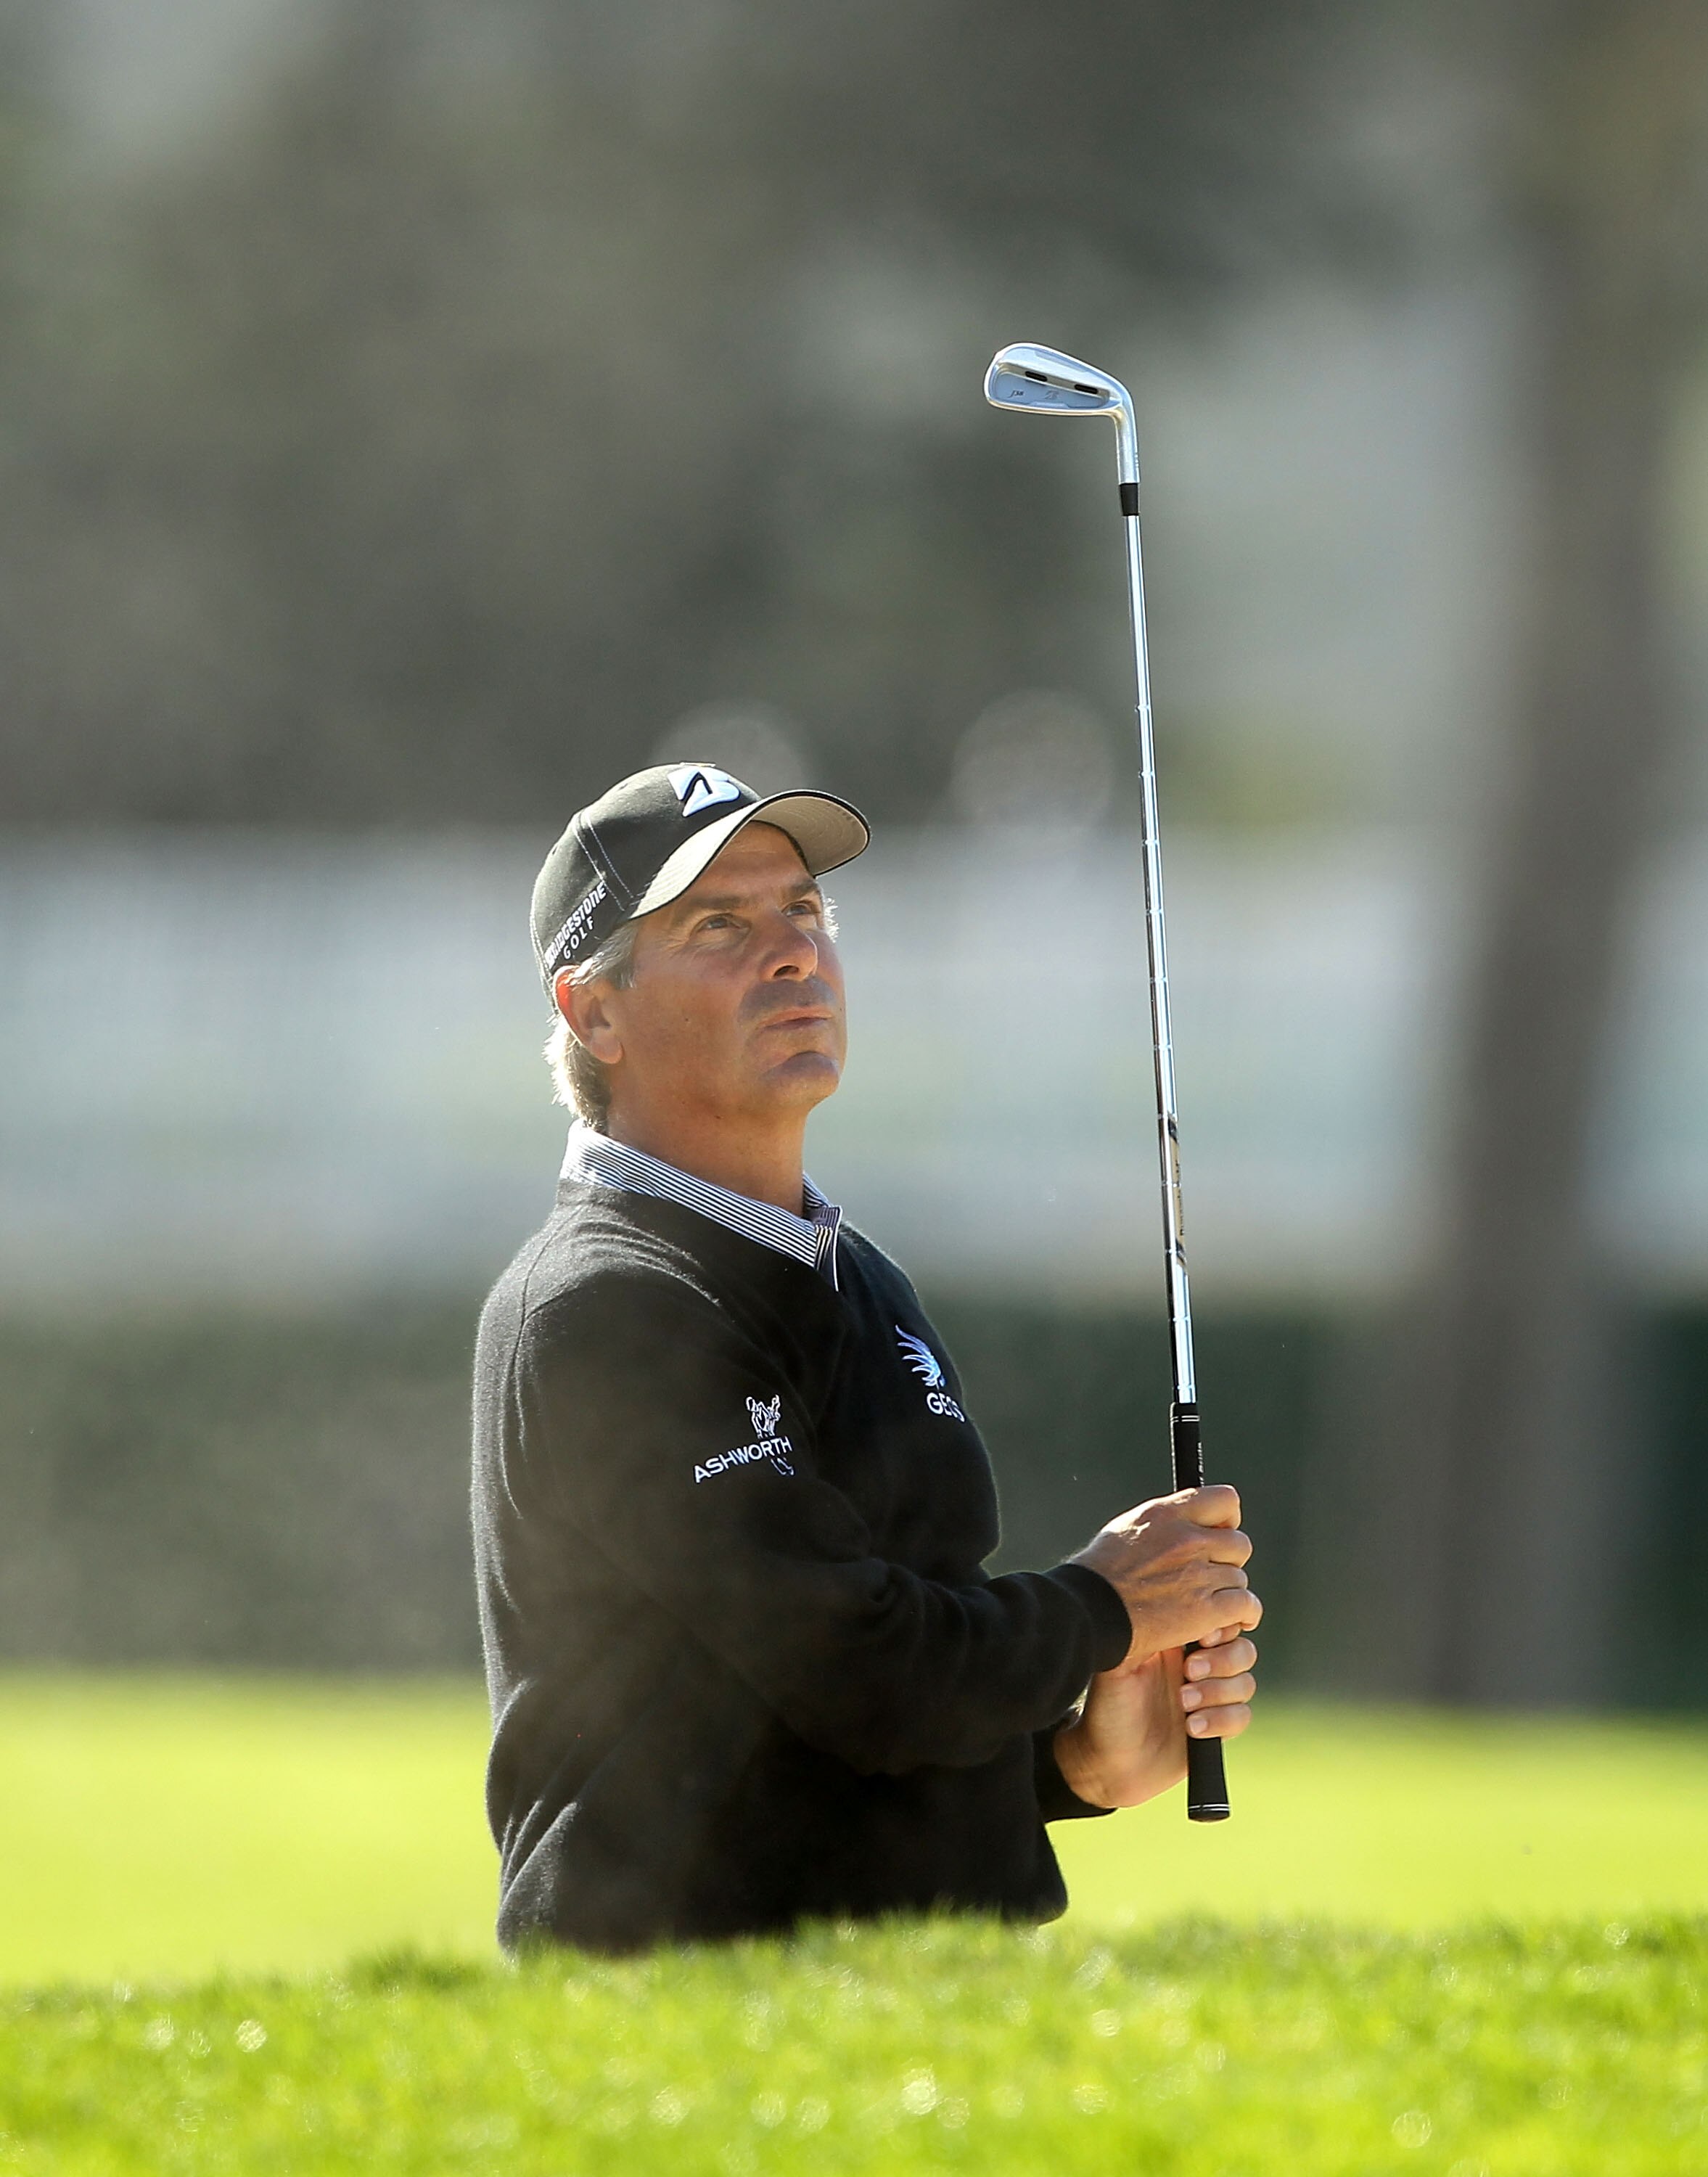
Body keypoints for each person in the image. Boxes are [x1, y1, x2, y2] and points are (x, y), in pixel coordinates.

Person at [471, 762, 1260, 1953]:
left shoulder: (857, 1274)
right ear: (594, 1015)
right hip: (678, 2015)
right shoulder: (605, 1304)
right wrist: (1101, 1607)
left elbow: (828, 1728)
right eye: (718, 926)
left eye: (803, 910)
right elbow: (850, 1665)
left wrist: (1070, 1766)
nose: (794, 954)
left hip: (924, 1995)